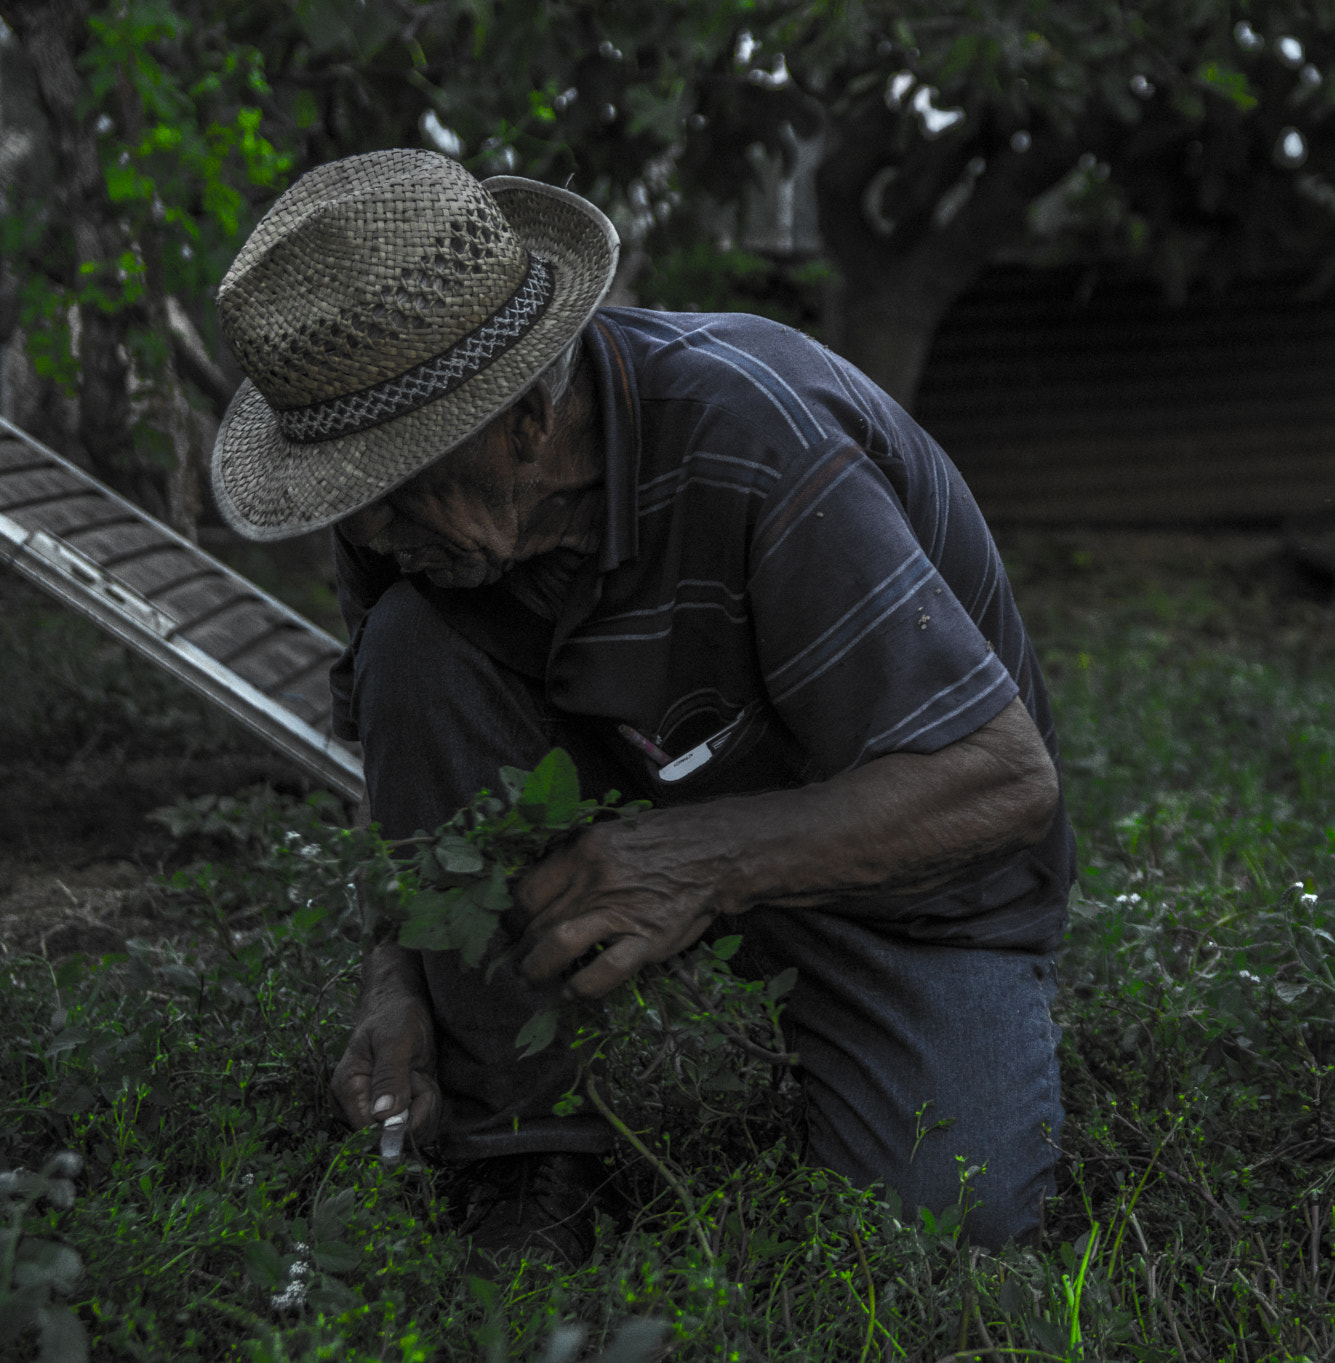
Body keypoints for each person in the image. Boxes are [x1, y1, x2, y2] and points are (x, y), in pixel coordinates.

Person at [208, 149, 1074, 1260]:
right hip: (658, 781)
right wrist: (402, 972)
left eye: (392, 486)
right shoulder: (413, 529)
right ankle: (528, 1152)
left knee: (942, 1221)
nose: (367, 534)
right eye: (348, 497)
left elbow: (1001, 781)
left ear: (526, 417)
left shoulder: (762, 444)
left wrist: (697, 860)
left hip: (898, 867)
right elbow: (409, 767)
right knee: (408, 646)